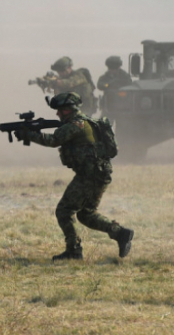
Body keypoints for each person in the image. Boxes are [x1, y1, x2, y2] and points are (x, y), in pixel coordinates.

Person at [14, 92, 134, 261]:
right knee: (86, 214)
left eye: (60, 111)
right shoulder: (86, 122)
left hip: (90, 175)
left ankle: (73, 251)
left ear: (68, 110)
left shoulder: (76, 125)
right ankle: (121, 233)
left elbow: (53, 140)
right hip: (99, 173)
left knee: (64, 211)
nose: (57, 114)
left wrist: (28, 134)